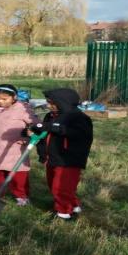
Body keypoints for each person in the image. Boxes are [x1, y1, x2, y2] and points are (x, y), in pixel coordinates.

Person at [30, 88, 93, 220]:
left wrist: (56, 128)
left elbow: (81, 135)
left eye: (52, 103)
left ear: (64, 102)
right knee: (54, 184)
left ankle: (64, 214)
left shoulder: (78, 118)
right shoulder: (51, 115)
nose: (48, 105)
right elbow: (45, 133)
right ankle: (73, 205)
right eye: (48, 102)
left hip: (68, 159)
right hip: (51, 157)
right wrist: (36, 132)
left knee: (61, 187)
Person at [0, 84, 39, 206]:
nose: (0, 101)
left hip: (15, 148)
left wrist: (27, 136)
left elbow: (36, 125)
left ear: (14, 97)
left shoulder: (23, 109)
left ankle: (21, 196)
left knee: (18, 174)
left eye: (4, 99)